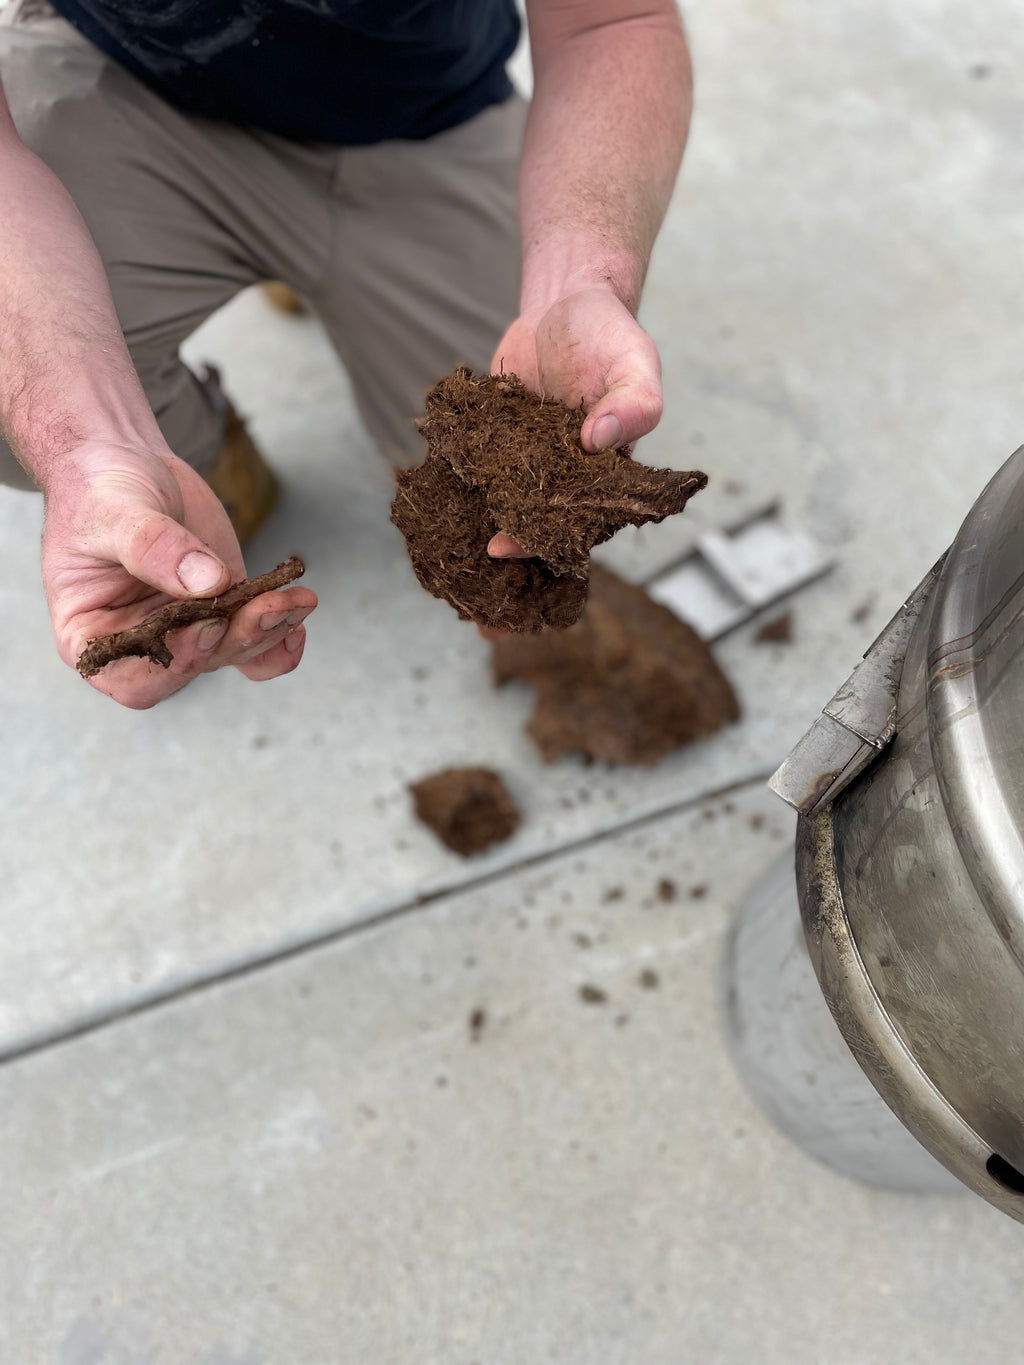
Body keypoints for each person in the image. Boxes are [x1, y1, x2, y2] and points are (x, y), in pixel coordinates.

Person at [0, 0, 692, 709]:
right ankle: (201, 464)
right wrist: (87, 442)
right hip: (134, 86)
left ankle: (327, 269)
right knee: (16, 401)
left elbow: (612, 22)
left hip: (420, 114)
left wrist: (575, 280)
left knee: (507, 482)